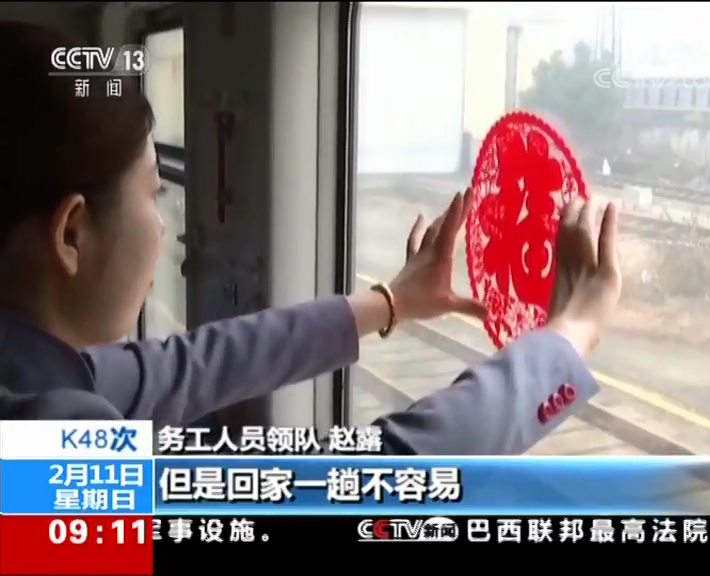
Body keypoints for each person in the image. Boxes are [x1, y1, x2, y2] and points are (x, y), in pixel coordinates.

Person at [0, 22, 622, 455]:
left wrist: (392, 301)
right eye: (153, 194)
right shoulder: (37, 449)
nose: (164, 223)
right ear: (72, 233)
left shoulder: (30, 371)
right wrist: (566, 340)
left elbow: (195, 364)